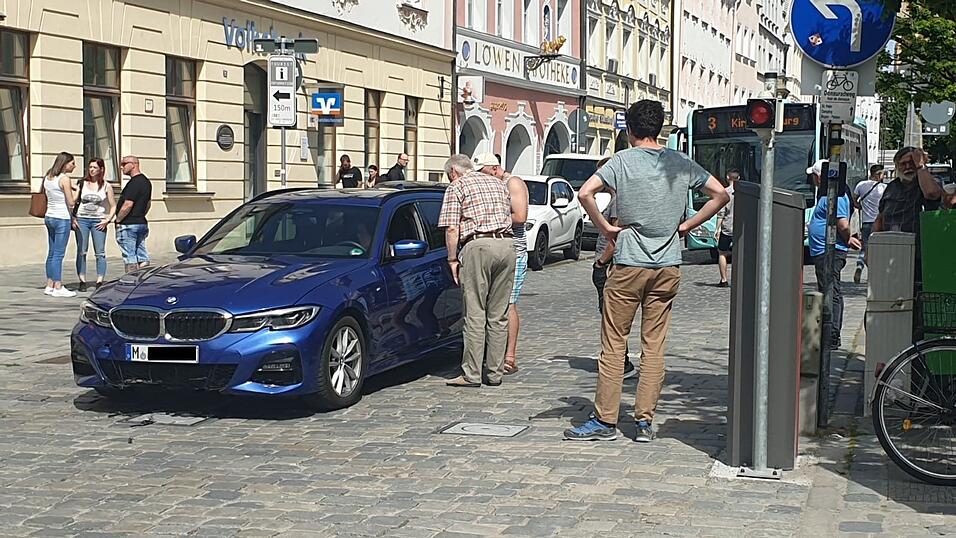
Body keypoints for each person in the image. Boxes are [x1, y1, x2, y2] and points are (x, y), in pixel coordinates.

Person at [565, 100, 729, 442]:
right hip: (667, 264)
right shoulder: (679, 161)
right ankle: (643, 421)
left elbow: (585, 193)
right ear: (660, 130)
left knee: (614, 344)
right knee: (654, 346)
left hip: (628, 264)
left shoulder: (621, 161)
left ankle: (606, 420)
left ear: (630, 131)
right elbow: (719, 194)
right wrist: (686, 226)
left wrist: (606, 229)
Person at [438, 154, 516, 388]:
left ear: (453, 172)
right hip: (507, 245)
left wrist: (452, 259)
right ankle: (494, 373)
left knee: (474, 312)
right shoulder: (497, 182)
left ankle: (471, 374)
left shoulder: (458, 186)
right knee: (499, 314)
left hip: (478, 245)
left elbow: (453, 227)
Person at [478, 154, 529, 376]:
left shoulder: (512, 182)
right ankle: (493, 354)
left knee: (509, 303)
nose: (482, 177)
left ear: (494, 169)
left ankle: (510, 356)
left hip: (514, 250)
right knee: (493, 303)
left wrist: (490, 214)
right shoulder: (496, 185)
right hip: (496, 248)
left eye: (484, 172)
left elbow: (521, 216)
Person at [806, 159, 863, 350]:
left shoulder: (836, 195)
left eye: (814, 176)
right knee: (826, 289)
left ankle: (832, 334)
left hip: (830, 251)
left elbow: (842, 223)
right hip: (822, 250)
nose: (813, 179)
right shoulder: (826, 194)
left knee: (832, 291)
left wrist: (847, 239)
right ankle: (827, 330)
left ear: (820, 176)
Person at [590, 156, 637, 379]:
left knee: (611, 313)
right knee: (609, 312)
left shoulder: (619, 199)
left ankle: (620, 360)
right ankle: (618, 358)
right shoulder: (616, 197)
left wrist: (602, 261)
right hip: (609, 260)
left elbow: (616, 233)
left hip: (609, 262)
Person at [73, 158, 116, 291]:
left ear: (101, 169)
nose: (92, 170)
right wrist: (72, 217)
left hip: (98, 221)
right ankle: (82, 280)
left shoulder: (106, 186)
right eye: (90, 167)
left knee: (100, 253)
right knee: (82, 251)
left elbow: (114, 205)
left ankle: (99, 280)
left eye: (95, 168)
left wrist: (107, 219)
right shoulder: (81, 183)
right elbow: (73, 201)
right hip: (82, 220)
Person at [42, 152, 79, 298]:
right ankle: (58, 285)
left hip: (49, 216)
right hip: (61, 218)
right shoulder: (64, 179)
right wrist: (78, 192)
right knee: (58, 254)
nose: (74, 166)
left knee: (51, 252)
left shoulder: (48, 176)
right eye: (72, 163)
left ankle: (49, 284)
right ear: (65, 163)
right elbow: (71, 202)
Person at [115, 155, 152, 273]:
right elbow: (148, 204)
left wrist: (118, 219)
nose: (121, 167)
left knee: (129, 255)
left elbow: (127, 205)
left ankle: (131, 281)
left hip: (128, 224)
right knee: (142, 255)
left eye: (124, 164)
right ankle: (144, 280)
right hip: (141, 223)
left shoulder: (134, 183)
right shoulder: (146, 182)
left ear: (133, 164)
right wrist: (140, 214)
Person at [851, 164, 887, 284]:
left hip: (866, 222)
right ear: (879, 174)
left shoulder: (861, 185)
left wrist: (860, 206)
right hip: (880, 223)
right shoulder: (884, 188)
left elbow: (854, 200)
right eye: (883, 173)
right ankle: (875, 273)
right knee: (878, 250)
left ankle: (859, 266)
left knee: (864, 249)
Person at [714, 170, 740, 288]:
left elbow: (721, 213)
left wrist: (717, 229)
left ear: (727, 177)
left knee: (722, 253)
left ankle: (724, 279)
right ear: (739, 178)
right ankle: (740, 278)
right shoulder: (745, 193)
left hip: (727, 228)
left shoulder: (725, 193)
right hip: (740, 229)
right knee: (740, 254)